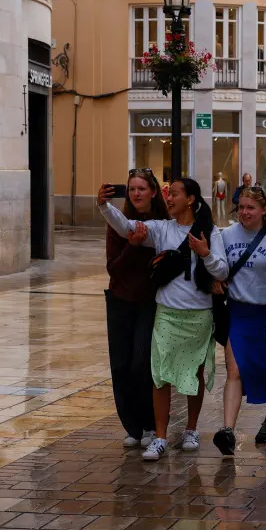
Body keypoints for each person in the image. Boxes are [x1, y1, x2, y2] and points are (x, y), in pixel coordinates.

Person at [99, 178, 229, 461]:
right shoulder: (161, 229)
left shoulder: (210, 232)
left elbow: (221, 271)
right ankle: (159, 436)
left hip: (198, 315)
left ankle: (191, 429)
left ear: (191, 199)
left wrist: (205, 254)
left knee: (194, 373)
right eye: (168, 194)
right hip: (167, 314)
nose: (169, 199)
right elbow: (127, 228)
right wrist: (104, 206)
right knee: (161, 376)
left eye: (176, 194)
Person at [212, 187, 266, 456]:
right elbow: (220, 266)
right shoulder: (227, 234)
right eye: (241, 207)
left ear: (264, 210)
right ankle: (228, 431)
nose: (244, 212)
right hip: (237, 312)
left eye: (251, 208)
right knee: (234, 371)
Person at [105, 169, 168, 450]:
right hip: (120, 300)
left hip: (149, 302)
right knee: (120, 365)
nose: (136, 194)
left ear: (153, 192)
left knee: (142, 362)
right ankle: (131, 425)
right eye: (132, 189)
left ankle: (148, 423)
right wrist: (132, 247)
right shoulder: (118, 225)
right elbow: (114, 268)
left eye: (142, 188)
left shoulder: (164, 224)